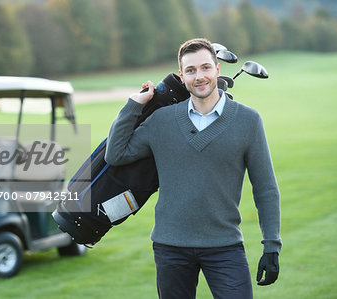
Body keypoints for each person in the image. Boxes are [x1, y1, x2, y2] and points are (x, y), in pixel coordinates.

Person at [104, 38, 281, 299]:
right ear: (182, 76)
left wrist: (271, 246)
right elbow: (116, 153)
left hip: (225, 246)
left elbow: (265, 188)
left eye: (205, 67)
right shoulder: (161, 121)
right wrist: (134, 104)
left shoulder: (248, 120)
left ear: (217, 70)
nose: (199, 76)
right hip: (170, 247)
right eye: (191, 70)